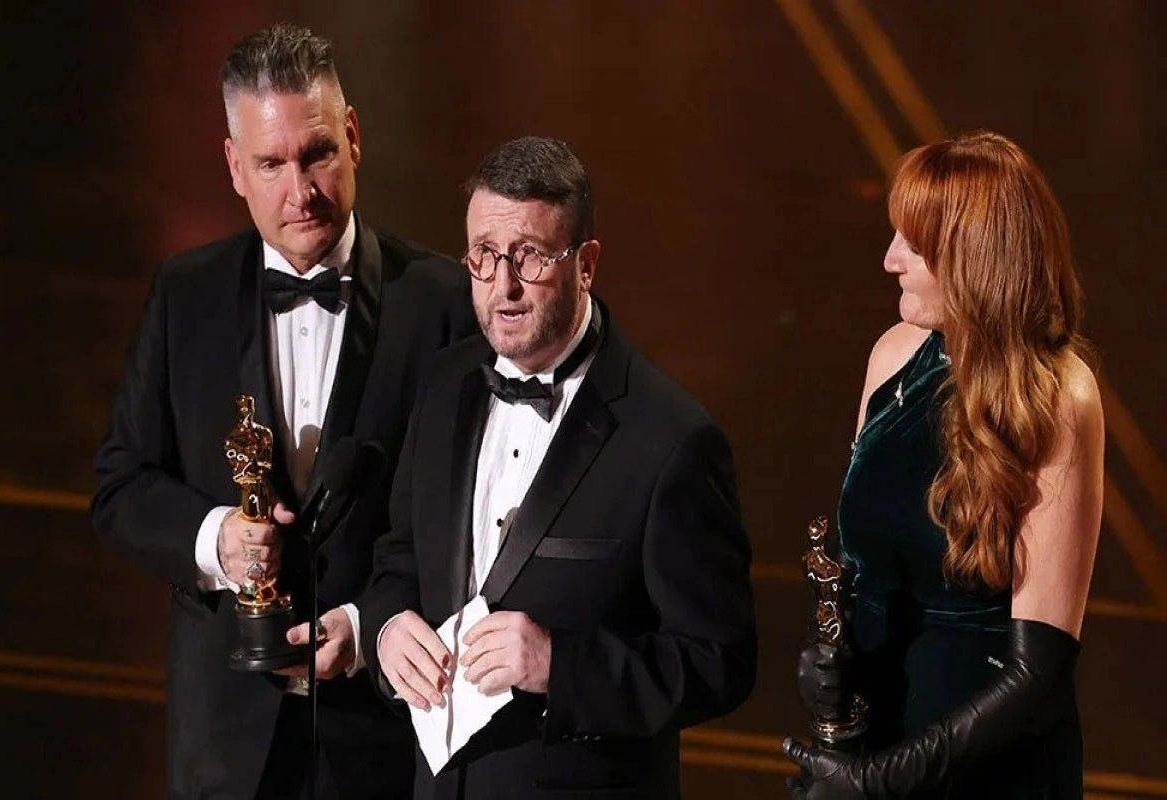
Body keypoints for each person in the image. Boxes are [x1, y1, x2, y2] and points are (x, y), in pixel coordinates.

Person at [92, 22, 476, 800]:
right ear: (235, 167)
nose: (300, 192)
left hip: (380, 740)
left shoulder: (443, 305)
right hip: (224, 744)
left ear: (354, 137)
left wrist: (368, 627)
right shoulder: (185, 296)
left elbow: (473, 521)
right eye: (270, 164)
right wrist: (217, 540)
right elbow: (121, 486)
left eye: (317, 155)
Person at [353, 136, 758, 798]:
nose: (503, 286)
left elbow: (721, 661)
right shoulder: (444, 383)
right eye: (484, 256)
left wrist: (559, 665)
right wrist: (388, 626)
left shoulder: (671, 440)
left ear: (586, 264)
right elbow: (399, 556)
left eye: (530, 257)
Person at [784, 131, 1104, 798]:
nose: (889, 260)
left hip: (990, 767)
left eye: (914, 243)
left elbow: (1038, 676)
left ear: (972, 254)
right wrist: (828, 655)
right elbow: (861, 566)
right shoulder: (893, 354)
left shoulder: (1060, 397)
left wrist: (878, 783)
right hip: (875, 741)